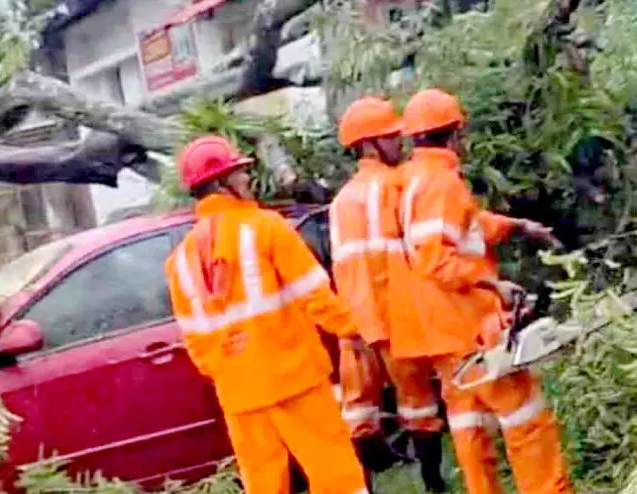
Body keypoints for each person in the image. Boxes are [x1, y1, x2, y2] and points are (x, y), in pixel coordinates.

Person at [391, 88, 574, 494]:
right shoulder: (441, 183)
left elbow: (467, 226)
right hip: (469, 324)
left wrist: (517, 226)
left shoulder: (413, 179)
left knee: (468, 421)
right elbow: (436, 260)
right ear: (456, 134)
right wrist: (493, 284)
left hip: (441, 329)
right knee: (526, 417)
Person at [164, 135, 370, 494]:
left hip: (240, 392)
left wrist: (231, 370)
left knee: (263, 484)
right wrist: (358, 331)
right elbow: (316, 296)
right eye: (239, 173)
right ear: (221, 183)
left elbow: (196, 341)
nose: (247, 179)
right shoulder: (266, 227)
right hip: (295, 378)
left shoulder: (179, 261)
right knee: (335, 474)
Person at [329, 96, 447, 493]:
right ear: (370, 144)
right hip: (395, 314)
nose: (400, 142)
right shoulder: (398, 185)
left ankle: (364, 486)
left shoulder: (340, 202)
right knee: (419, 402)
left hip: (352, 319)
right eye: (391, 136)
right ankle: (433, 482)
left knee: (359, 410)